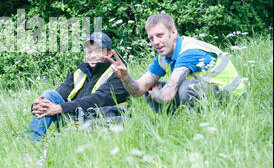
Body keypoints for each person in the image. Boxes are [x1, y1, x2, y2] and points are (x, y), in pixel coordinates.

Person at [105, 13, 247, 114]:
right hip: (211, 94)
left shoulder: (189, 51)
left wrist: (157, 94)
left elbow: (167, 95)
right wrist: (124, 76)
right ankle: (174, 125)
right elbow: (138, 90)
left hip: (235, 102)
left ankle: (204, 124)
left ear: (173, 32)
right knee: (150, 89)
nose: (156, 42)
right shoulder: (162, 57)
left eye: (160, 35)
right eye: (151, 38)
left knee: (185, 87)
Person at [27, 32, 130, 142]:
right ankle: (31, 143)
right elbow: (57, 95)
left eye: (98, 50)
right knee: (49, 95)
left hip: (102, 124)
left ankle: (30, 145)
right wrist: (37, 105)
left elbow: (97, 99)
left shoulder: (119, 74)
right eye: (89, 51)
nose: (93, 55)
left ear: (109, 54)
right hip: (74, 121)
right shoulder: (79, 72)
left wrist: (60, 108)